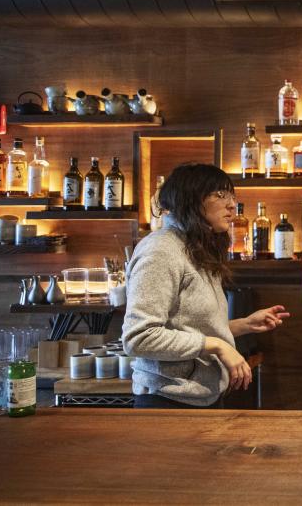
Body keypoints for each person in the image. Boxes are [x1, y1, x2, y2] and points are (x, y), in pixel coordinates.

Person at [123, 163, 290, 408]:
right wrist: (218, 345)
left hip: (200, 397)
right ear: (189, 199)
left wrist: (243, 325)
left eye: (232, 196)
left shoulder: (195, 248)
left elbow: (186, 326)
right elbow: (139, 337)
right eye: (220, 195)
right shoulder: (160, 251)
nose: (232, 205)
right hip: (167, 403)